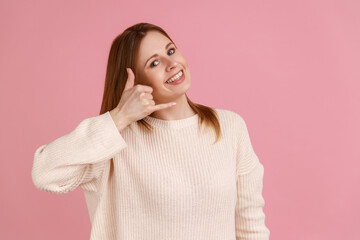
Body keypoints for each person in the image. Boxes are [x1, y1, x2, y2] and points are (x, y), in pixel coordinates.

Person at [31, 22, 270, 240]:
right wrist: (119, 117)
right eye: (154, 63)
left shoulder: (229, 127)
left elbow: (251, 227)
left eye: (171, 50)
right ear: (135, 82)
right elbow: (45, 173)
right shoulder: (113, 142)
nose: (172, 64)